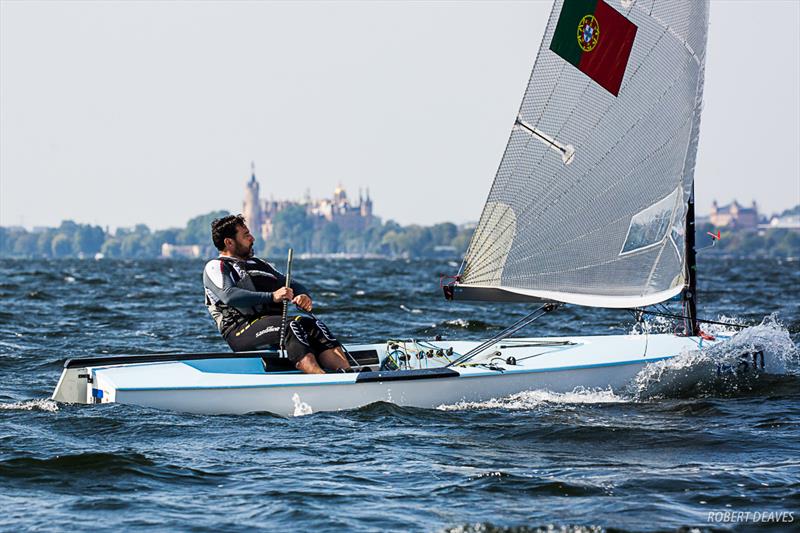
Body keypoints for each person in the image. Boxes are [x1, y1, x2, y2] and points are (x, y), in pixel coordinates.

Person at [202, 214, 351, 374]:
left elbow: (293, 285)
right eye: (246, 235)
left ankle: (348, 373)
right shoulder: (215, 266)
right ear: (229, 242)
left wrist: (302, 295)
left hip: (272, 324)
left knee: (312, 324)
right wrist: (272, 296)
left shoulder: (260, 264)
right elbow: (229, 296)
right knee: (289, 326)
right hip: (240, 331)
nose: (252, 238)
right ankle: (321, 379)